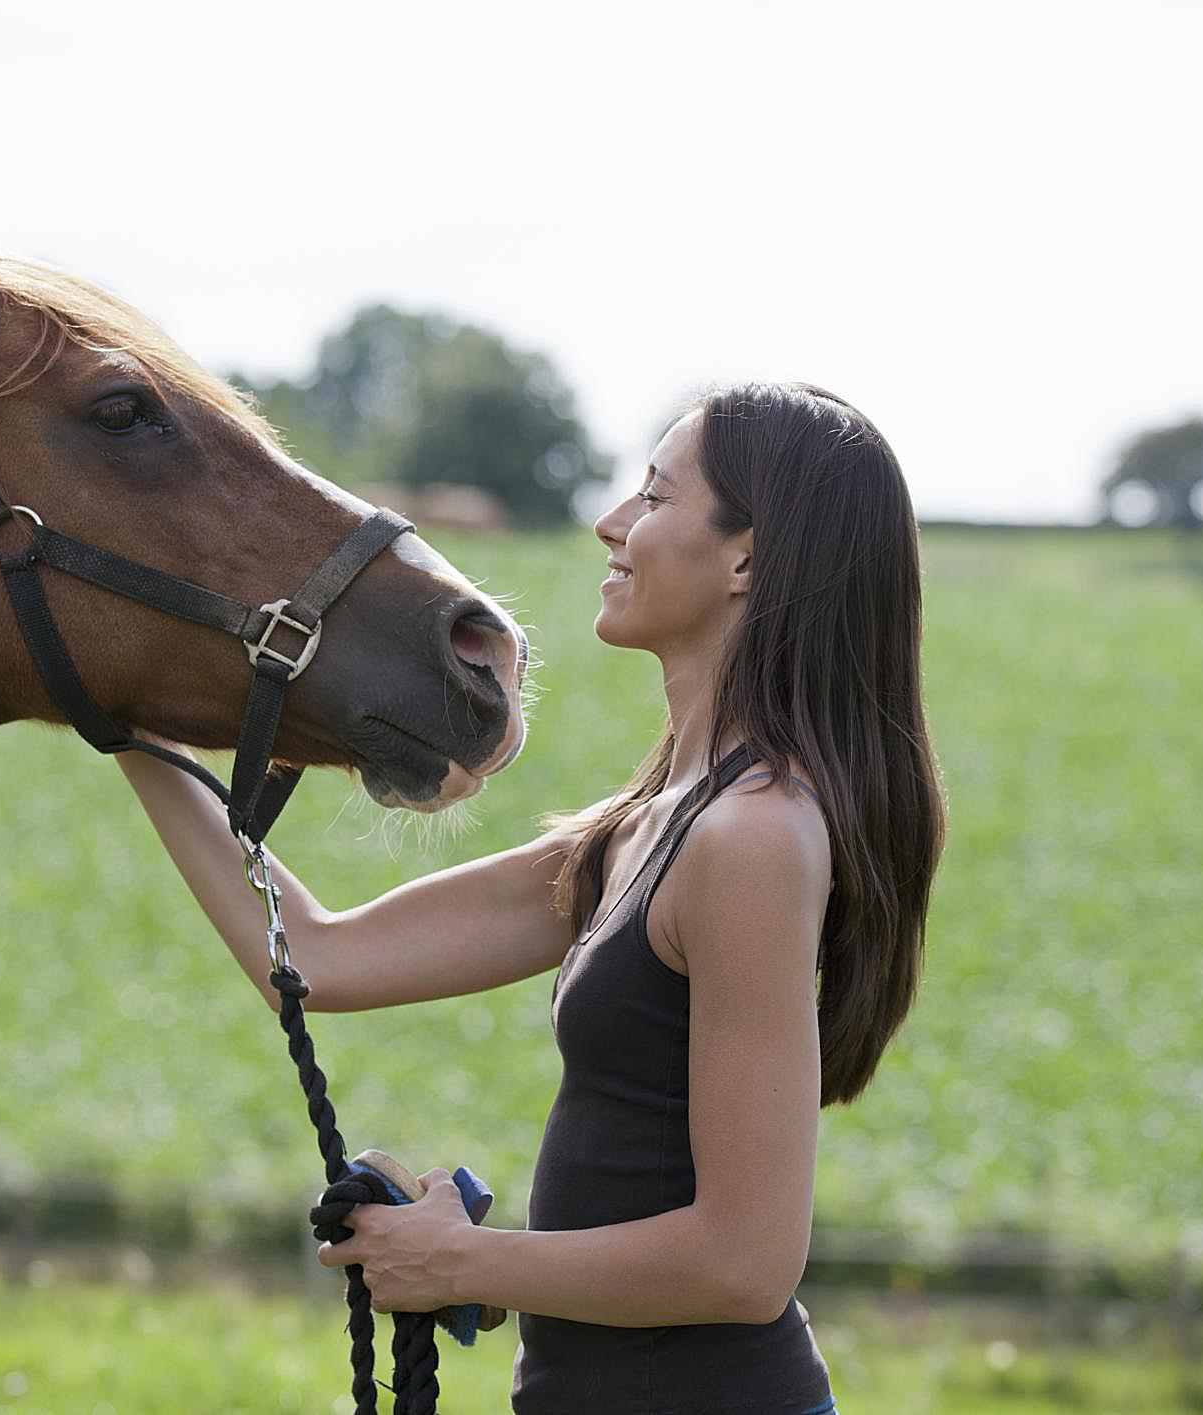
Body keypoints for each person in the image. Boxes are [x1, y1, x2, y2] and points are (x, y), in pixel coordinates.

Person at [117, 381, 945, 1414]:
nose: (611, 522)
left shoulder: (751, 837)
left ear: (746, 555)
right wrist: (131, 721)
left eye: (652, 497)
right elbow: (319, 958)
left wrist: (462, 1262)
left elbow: (743, 1261)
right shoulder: (648, 823)